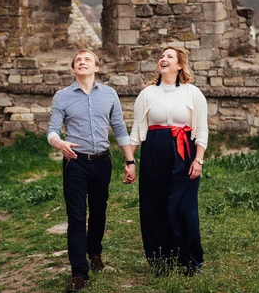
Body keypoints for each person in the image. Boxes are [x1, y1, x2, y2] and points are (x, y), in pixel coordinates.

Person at [47, 49, 137, 292]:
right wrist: (59, 143)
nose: (82, 61)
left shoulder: (109, 94)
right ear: (73, 68)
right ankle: (79, 273)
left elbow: (119, 129)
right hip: (74, 161)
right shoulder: (62, 96)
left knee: (98, 211)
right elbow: (53, 130)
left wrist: (130, 162)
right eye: (78, 60)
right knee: (76, 216)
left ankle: (95, 253)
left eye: (87, 59)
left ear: (96, 67)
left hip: (102, 162)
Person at [129, 46, 208, 275]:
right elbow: (137, 129)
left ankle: (192, 260)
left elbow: (202, 129)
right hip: (154, 152)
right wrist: (129, 160)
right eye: (162, 56)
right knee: (154, 207)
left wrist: (198, 160)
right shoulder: (147, 94)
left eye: (169, 56)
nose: (163, 59)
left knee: (185, 209)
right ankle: (161, 261)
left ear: (179, 65)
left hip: (184, 154)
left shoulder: (192, 92)